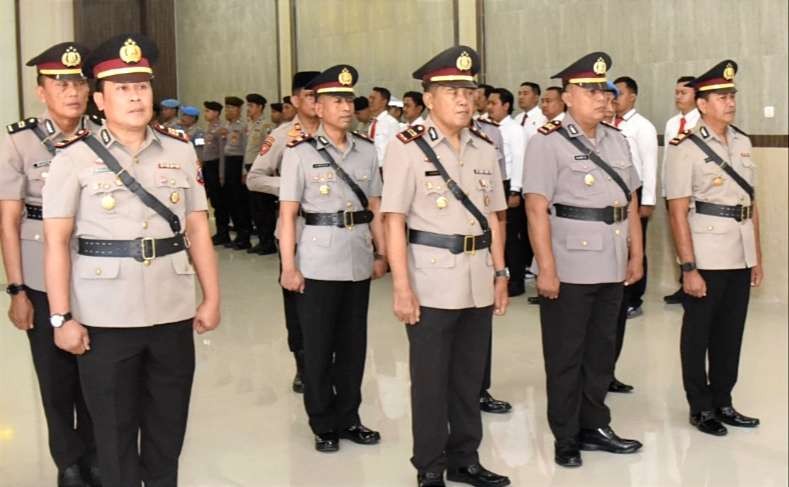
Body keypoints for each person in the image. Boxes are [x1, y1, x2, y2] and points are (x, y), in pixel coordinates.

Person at [42, 33, 220, 487]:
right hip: (105, 316)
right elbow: (57, 241)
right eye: (122, 88)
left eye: (141, 85)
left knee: (167, 428)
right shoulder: (74, 157)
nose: (136, 95)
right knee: (114, 433)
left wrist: (211, 296)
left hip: (171, 309)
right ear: (99, 99)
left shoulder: (179, 150)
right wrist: (62, 316)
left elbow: (197, 227)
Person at [382, 45, 511, 487]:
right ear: (429, 97)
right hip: (430, 279)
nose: (462, 98)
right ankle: (430, 466)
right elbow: (394, 220)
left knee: (469, 378)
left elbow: (495, 216)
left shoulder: (484, 147)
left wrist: (500, 273)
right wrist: (402, 286)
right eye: (450, 90)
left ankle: (465, 460)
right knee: (431, 381)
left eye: (468, 90)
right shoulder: (407, 148)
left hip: (478, 277)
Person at [523, 52, 644, 468]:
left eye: (604, 91)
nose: (601, 98)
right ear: (570, 95)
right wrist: (547, 267)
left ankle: (595, 424)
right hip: (570, 264)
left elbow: (629, 202)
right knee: (565, 354)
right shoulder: (546, 141)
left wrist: (636, 254)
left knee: (600, 351)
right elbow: (536, 208)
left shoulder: (617, 140)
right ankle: (565, 434)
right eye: (591, 91)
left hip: (612, 259)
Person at [0, 41, 102, 487]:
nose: (72, 92)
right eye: (60, 83)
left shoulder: (104, 134)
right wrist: (16, 289)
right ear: (41, 91)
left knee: (100, 370)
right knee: (55, 375)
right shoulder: (18, 141)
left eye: (79, 82)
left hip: (97, 268)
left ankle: (100, 453)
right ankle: (69, 460)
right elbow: (8, 221)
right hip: (41, 271)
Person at [279, 64, 386, 453]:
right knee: (320, 346)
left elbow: (374, 205)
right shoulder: (300, 153)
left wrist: (381, 252)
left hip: (357, 257)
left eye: (348, 100)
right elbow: (288, 214)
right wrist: (289, 266)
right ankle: (323, 422)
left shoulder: (367, 150)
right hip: (317, 261)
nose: (345, 107)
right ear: (318, 107)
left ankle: (350, 417)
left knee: (354, 346)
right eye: (335, 100)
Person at [664, 60, 762, 437]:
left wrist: (757, 257)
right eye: (722, 96)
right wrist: (688, 267)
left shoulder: (742, 141)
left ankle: (724, 400)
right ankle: (700, 406)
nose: (730, 102)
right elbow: (676, 210)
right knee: (698, 333)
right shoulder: (684, 147)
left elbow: (753, 202)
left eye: (732, 95)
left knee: (730, 332)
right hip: (705, 252)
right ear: (702, 104)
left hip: (740, 250)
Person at [247, 71, 321, 393]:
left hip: (335, 231)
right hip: (297, 228)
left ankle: (329, 363)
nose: (317, 103)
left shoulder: (337, 133)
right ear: (294, 100)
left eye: (321, 96)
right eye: (309, 96)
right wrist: (290, 187)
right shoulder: (281, 136)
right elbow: (254, 177)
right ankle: (303, 365)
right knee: (297, 301)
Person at [613, 76, 658, 319]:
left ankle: (634, 298)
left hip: (636, 193)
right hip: (614, 193)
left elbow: (649, 165)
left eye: (619, 93)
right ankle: (618, 292)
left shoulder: (643, 126)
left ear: (632, 96)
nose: (614, 98)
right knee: (619, 245)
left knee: (636, 246)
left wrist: (648, 200)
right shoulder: (608, 123)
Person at [663, 76, 701, 305]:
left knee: (694, 237)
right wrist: (666, 189)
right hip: (674, 191)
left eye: (683, 93)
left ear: (696, 96)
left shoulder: (701, 122)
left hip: (694, 192)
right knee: (679, 236)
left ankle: (695, 279)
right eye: (676, 92)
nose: (678, 97)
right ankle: (683, 282)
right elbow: (668, 159)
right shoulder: (671, 124)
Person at [487, 87, 527, 298]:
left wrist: (515, 190)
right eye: (489, 103)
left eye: (494, 103)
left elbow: (520, 160)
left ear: (506, 106)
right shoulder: (487, 127)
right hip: (491, 185)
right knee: (494, 234)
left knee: (511, 237)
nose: (489, 107)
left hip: (508, 184)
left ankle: (517, 280)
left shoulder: (514, 129)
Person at [244, 93, 277, 255]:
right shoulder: (250, 124)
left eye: (251, 106)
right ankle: (262, 240)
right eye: (248, 105)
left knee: (264, 208)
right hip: (250, 168)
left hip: (263, 170)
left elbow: (269, 152)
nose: (248, 109)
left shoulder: (266, 126)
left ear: (259, 107)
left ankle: (268, 242)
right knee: (255, 208)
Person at [222, 95, 251, 249]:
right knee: (231, 201)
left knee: (240, 202)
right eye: (227, 107)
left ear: (239, 109)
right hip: (228, 163)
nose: (228, 110)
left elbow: (246, 149)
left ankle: (244, 237)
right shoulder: (226, 126)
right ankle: (238, 234)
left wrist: (243, 171)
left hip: (238, 163)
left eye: (231, 108)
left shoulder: (242, 127)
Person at [201, 100, 231, 245]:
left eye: (208, 111)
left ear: (216, 113)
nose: (205, 113)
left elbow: (221, 153)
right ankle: (219, 232)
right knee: (213, 201)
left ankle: (223, 233)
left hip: (216, 167)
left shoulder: (221, 129)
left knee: (220, 203)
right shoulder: (209, 128)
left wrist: (221, 174)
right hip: (207, 166)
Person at [367, 86, 401, 166]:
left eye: (373, 98)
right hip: (372, 167)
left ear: (384, 101)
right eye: (370, 98)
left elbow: (396, 150)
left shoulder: (391, 123)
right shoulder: (373, 124)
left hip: (385, 167)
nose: (370, 101)